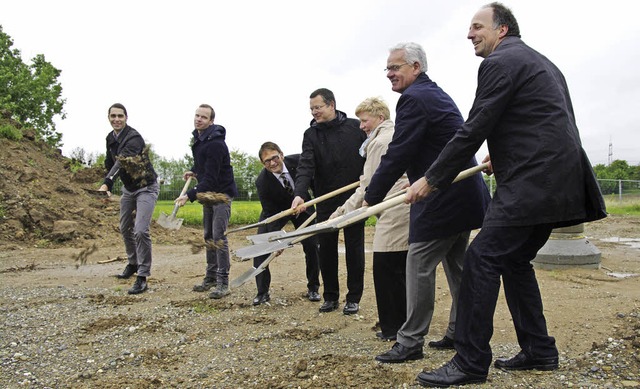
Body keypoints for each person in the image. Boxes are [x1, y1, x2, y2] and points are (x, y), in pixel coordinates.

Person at [412, 3, 607, 387]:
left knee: (481, 258)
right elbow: (542, 121)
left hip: (533, 184)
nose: (469, 34)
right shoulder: (542, 62)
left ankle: (469, 361)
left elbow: (474, 127)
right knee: (515, 261)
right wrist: (502, 155)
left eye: (477, 26)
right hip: (559, 180)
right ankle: (539, 349)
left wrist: (431, 179)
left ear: (502, 30)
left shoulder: (498, 64)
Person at [362, 42, 491, 364]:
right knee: (459, 269)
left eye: (396, 67)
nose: (390, 74)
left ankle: (409, 342)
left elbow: (400, 151)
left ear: (416, 67)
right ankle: (459, 331)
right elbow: (432, 146)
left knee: (418, 266)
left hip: (443, 199)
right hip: (461, 195)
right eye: (387, 68)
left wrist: (372, 195)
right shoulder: (432, 94)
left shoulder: (414, 99)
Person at [329, 97, 410, 340]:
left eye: (365, 121)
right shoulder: (390, 135)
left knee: (387, 269)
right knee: (398, 269)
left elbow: (369, 186)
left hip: (394, 209)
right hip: (398, 206)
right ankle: (399, 324)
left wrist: (340, 214)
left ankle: (394, 328)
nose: (361, 126)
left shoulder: (381, 142)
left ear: (380, 118)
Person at [291, 88, 367, 315]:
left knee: (354, 248)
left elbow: (370, 156)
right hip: (326, 199)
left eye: (318, 107)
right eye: (312, 108)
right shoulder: (311, 134)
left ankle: (353, 298)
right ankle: (330, 296)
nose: (315, 112)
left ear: (331, 105)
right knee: (326, 249)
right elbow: (306, 165)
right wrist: (300, 193)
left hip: (354, 197)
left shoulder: (355, 127)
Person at [175, 104, 239, 299]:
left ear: (211, 121)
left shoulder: (216, 143)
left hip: (221, 194)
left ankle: (223, 282)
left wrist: (190, 195)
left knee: (219, 237)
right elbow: (204, 164)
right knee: (208, 235)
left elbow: (211, 177)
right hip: (208, 194)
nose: (198, 119)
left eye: (203, 117)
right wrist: (194, 170)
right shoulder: (200, 139)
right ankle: (211, 276)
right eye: (197, 115)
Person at [99, 103, 159, 295]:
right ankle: (133, 263)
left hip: (146, 188)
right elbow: (109, 164)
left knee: (140, 230)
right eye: (113, 116)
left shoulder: (133, 138)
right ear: (108, 118)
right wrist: (106, 187)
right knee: (125, 227)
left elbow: (120, 162)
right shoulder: (110, 138)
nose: (116, 119)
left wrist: (107, 182)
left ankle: (142, 275)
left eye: (120, 116)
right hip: (129, 188)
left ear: (126, 118)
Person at [252, 141, 321, 305]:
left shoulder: (298, 162)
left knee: (312, 245)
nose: (272, 163)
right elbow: (269, 210)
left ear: (281, 155)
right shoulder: (262, 182)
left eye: (274, 158)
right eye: (267, 161)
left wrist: (312, 200)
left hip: (302, 205)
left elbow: (314, 181)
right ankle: (262, 292)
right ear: (263, 164)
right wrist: (277, 238)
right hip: (276, 211)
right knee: (261, 247)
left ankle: (313, 288)